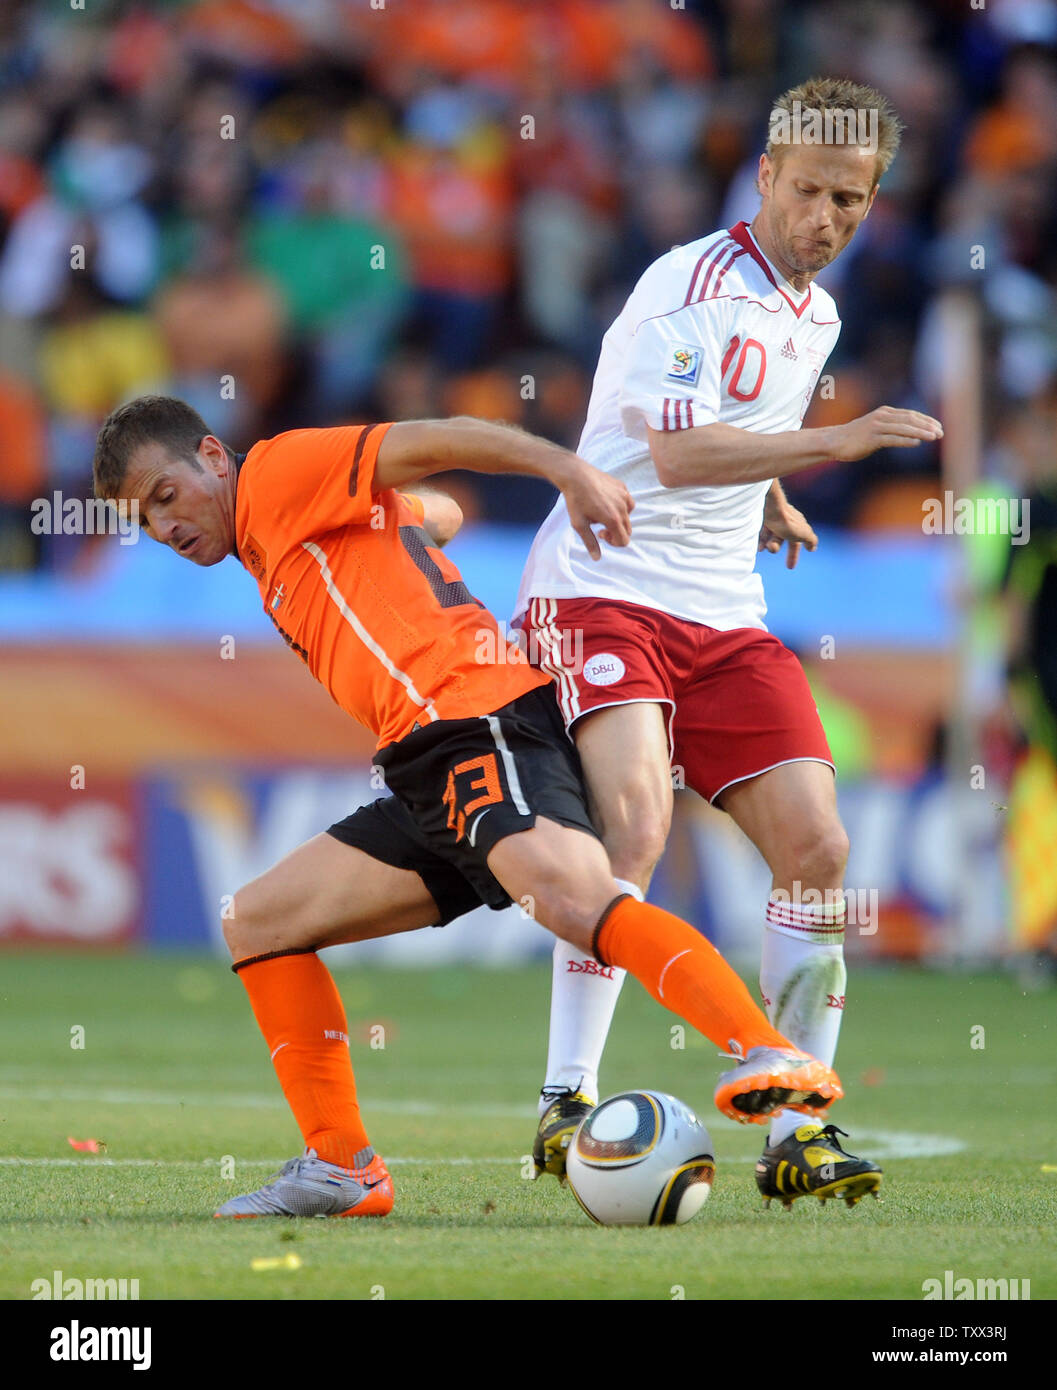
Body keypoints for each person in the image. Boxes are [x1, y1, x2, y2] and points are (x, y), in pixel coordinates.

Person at [92, 396, 842, 1220]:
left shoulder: (276, 473)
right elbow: (437, 510)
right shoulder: (280, 532)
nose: (164, 527)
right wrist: (405, 524)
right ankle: (343, 1168)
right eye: (143, 520)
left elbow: (439, 439)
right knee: (260, 921)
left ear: (213, 455)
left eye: (166, 496)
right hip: (422, 761)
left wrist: (561, 467)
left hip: (477, 723)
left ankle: (763, 1048)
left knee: (572, 898)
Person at [515, 76, 944, 1210]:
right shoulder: (692, 281)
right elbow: (671, 453)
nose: (824, 218)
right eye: (806, 190)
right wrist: (829, 445)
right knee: (637, 823)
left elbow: (729, 450)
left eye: (849, 201)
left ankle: (794, 1122)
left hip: (720, 608)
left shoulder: (820, 316)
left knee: (818, 847)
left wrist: (766, 500)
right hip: (603, 587)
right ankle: (565, 1094)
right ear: (763, 176)